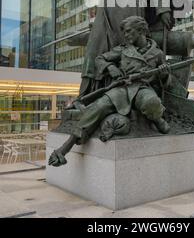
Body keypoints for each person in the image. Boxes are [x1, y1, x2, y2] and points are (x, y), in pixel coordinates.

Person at [48, 16, 170, 167]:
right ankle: (65, 147)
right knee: (97, 107)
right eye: (124, 32)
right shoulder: (123, 50)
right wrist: (110, 67)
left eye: (128, 31)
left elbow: (166, 83)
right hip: (122, 90)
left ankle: (158, 119)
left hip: (142, 89)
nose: (125, 35)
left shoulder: (157, 53)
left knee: (151, 102)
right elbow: (100, 59)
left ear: (141, 31)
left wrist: (164, 73)